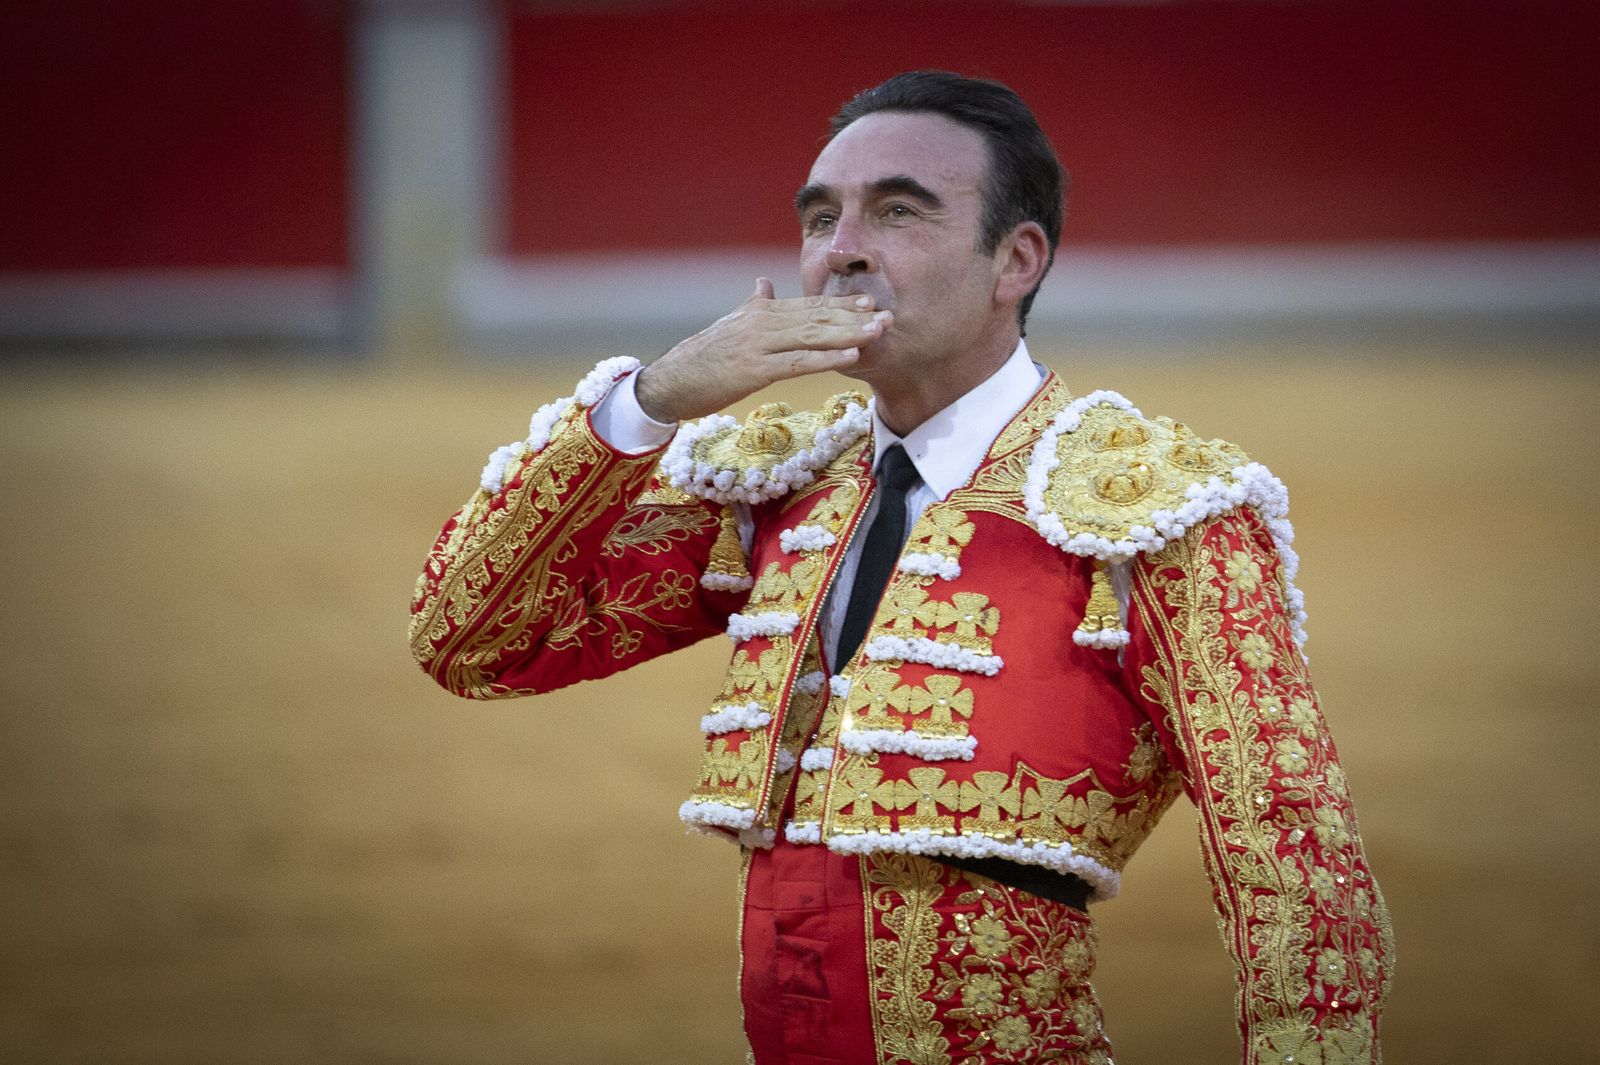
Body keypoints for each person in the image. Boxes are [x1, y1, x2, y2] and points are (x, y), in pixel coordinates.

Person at [409, 70, 1393, 1065]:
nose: (840, 250)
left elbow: (1294, 861)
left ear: (1015, 260)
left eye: (897, 212)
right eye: (820, 218)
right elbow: (473, 641)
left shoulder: (1150, 515)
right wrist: (651, 400)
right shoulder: (779, 488)